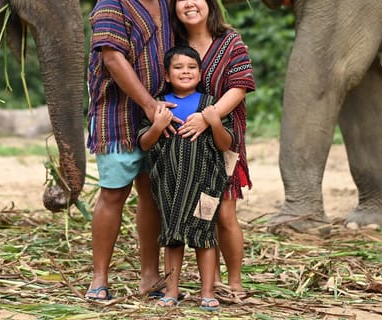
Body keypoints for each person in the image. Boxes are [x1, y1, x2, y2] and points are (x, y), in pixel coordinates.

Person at [85, 0, 180, 300]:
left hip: (160, 116)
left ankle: (150, 276)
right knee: (113, 193)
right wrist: (149, 105)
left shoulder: (166, 4)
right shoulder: (111, 5)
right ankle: (99, 278)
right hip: (118, 116)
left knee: (152, 193)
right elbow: (113, 59)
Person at [138, 46, 236, 311]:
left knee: (204, 237)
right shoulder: (159, 105)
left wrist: (214, 121)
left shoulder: (210, 104)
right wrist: (158, 126)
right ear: (167, 75)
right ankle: (171, 290)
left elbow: (226, 143)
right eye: (178, 67)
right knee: (172, 236)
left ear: (200, 73)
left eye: (191, 67)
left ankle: (207, 292)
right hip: (168, 185)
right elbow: (145, 144)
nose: (185, 72)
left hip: (205, 185)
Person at [169, 0, 256, 297]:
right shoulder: (174, 42)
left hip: (224, 139)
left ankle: (234, 282)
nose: (190, 4)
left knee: (225, 212)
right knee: (201, 211)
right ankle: (212, 281)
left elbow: (240, 85)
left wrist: (211, 117)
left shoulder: (230, 41)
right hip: (185, 147)